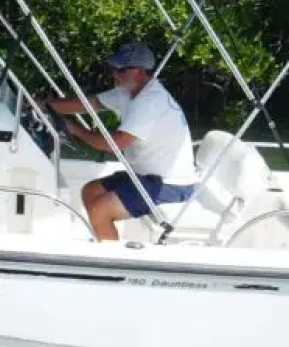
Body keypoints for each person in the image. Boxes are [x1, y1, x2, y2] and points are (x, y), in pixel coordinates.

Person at [47, 39, 197, 241]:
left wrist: (74, 129)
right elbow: (90, 104)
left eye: (121, 69)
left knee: (101, 211)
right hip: (144, 176)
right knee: (90, 191)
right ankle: (105, 242)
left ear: (140, 71)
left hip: (170, 184)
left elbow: (114, 145)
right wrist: (44, 106)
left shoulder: (150, 102)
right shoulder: (128, 91)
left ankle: (111, 269)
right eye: (113, 69)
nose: (115, 75)